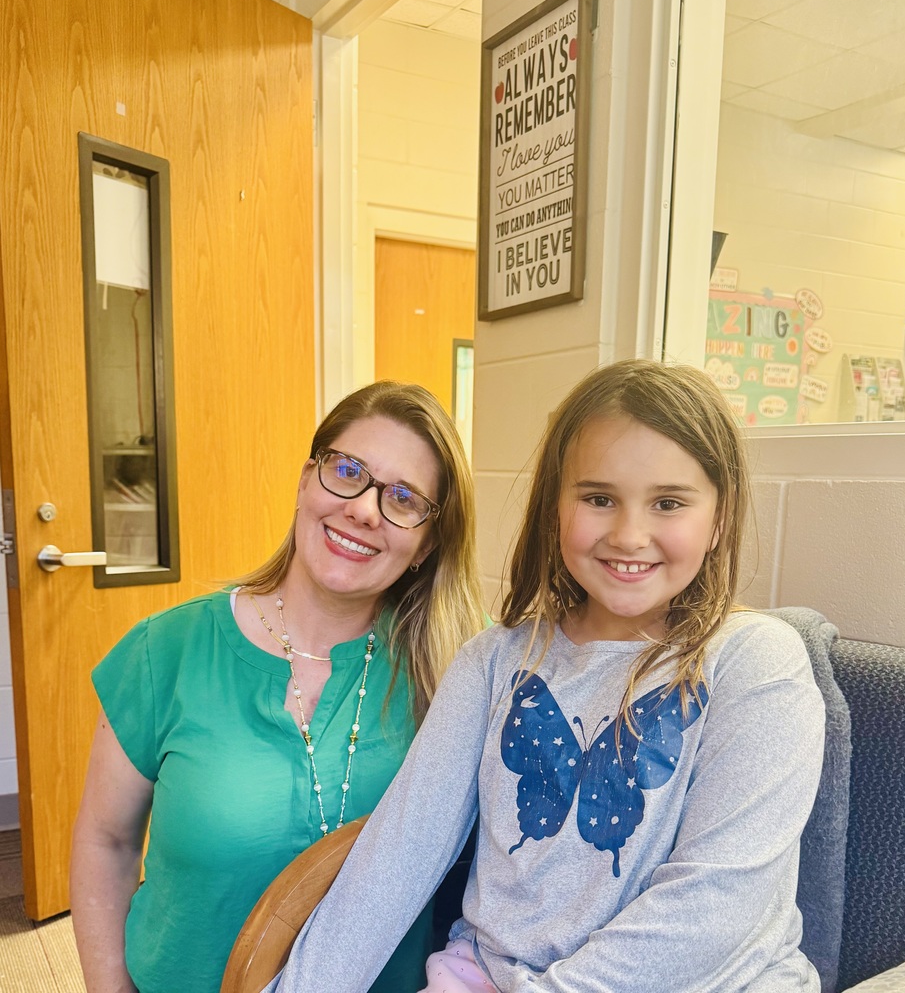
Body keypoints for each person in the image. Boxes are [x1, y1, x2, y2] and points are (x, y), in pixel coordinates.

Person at [264, 358, 826, 993]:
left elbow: (718, 908)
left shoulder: (756, 662)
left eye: (668, 502)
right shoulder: (493, 662)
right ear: (555, 508)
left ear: (718, 520)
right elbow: (394, 860)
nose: (629, 533)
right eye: (598, 498)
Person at [70, 380, 487, 993]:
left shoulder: (458, 664)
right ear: (304, 481)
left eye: (404, 497)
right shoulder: (169, 651)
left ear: (426, 543)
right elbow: (105, 842)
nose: (365, 509)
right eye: (347, 470)